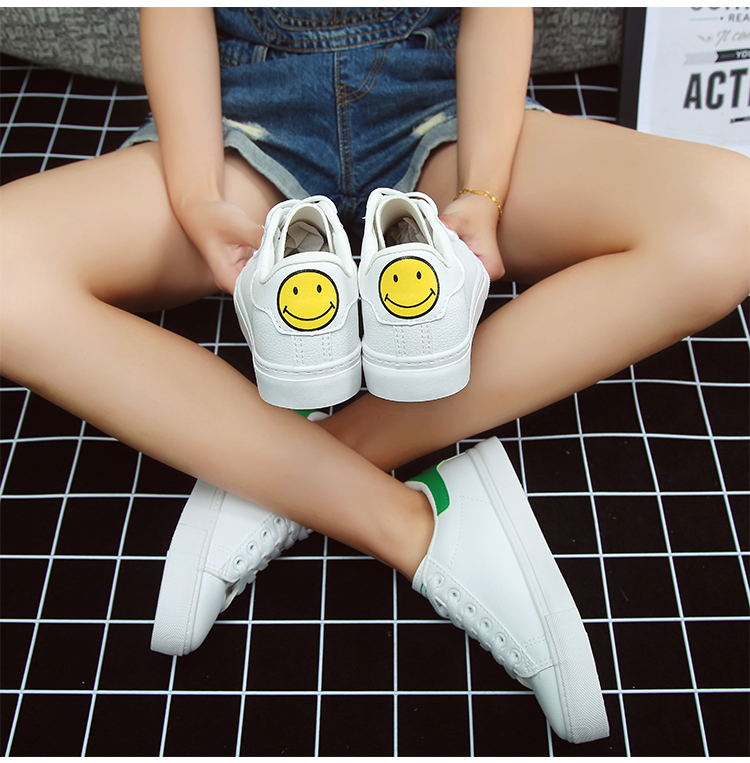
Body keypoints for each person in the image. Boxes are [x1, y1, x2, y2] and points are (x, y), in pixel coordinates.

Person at [0, 6, 747, 745]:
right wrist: (197, 196)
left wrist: (483, 194)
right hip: (238, 125)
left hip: (442, 109)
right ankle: (407, 519)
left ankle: (302, 467)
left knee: (729, 216)